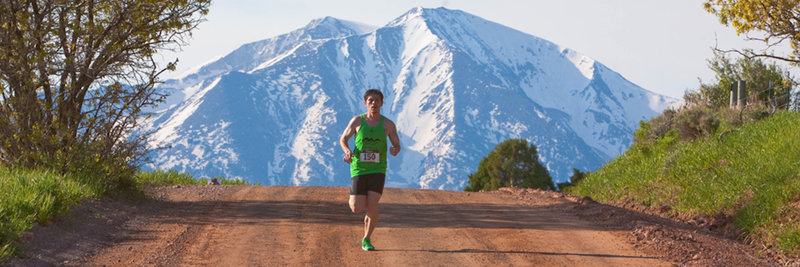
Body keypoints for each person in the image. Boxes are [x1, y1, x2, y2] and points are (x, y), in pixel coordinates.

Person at [339, 89, 401, 251]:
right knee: (356, 207)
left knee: (373, 205)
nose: (374, 103)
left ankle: (367, 239)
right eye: (370, 101)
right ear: (365, 103)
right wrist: (347, 151)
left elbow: (397, 144)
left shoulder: (388, 125)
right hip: (359, 168)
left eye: (377, 101)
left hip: (378, 169)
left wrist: (395, 149)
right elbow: (343, 139)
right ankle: (368, 215)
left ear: (381, 103)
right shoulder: (357, 122)